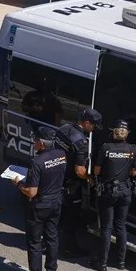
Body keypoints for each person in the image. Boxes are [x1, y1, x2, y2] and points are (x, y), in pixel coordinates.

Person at [13, 124, 67, 271]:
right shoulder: (61, 155)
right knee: (52, 238)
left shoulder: (37, 162)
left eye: (35, 140)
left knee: (34, 242)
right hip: (56, 202)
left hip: (40, 205)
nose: (33, 143)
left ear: (42, 143)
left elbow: (31, 192)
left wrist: (18, 184)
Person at [91, 120, 136, 271]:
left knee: (106, 227)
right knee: (121, 225)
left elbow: (97, 171)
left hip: (109, 191)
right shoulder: (132, 149)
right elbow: (134, 173)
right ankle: (121, 262)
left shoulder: (106, 148)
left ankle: (102, 263)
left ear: (113, 132)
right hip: (125, 191)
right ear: (127, 134)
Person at [55, 107, 101, 257]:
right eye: (94, 125)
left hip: (56, 177)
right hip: (71, 184)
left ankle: (50, 243)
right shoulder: (81, 142)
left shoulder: (63, 128)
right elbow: (80, 170)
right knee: (70, 218)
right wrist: (90, 179)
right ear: (86, 122)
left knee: (56, 216)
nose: (94, 129)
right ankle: (68, 248)